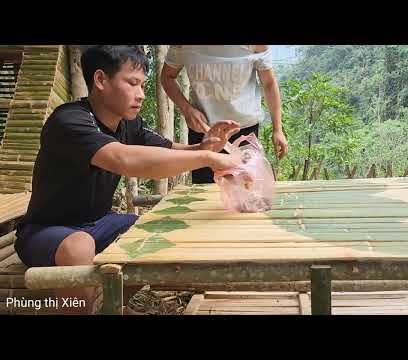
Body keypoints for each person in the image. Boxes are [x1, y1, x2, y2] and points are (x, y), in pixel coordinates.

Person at [13, 45, 241, 315]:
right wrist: (209, 160)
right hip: (45, 231)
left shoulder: (130, 124)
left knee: (158, 229)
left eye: (143, 85)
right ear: (100, 80)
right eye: (132, 83)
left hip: (99, 223)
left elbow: (169, 152)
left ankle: (111, 306)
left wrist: (206, 147)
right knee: (79, 245)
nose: (141, 94)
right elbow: (122, 159)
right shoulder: (68, 120)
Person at [161, 45, 288, 184]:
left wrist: (278, 129)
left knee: (245, 192)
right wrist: (187, 109)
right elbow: (167, 77)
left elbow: (269, 83)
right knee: (205, 194)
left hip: (244, 131)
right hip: (203, 132)